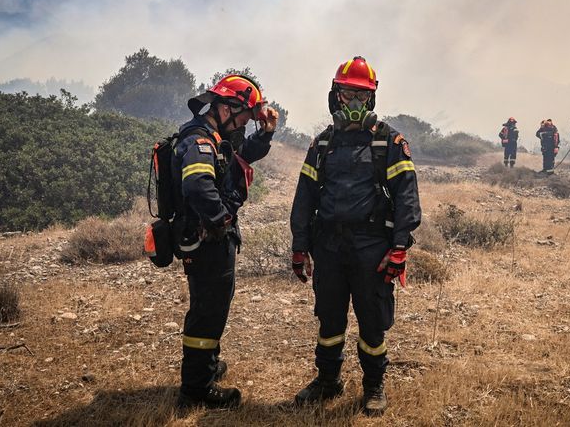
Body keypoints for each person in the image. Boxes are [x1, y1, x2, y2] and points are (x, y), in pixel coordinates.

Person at [289, 56, 421, 416]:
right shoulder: (322, 144)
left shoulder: (388, 141)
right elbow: (305, 199)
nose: (355, 103)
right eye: (348, 95)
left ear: (372, 100)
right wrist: (300, 246)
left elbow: (407, 196)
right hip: (329, 246)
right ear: (336, 97)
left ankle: (374, 386)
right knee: (329, 319)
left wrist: (399, 248)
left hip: (372, 246)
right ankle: (328, 380)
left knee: (372, 319)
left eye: (362, 96)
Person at [174, 75, 278, 409]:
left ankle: (206, 366)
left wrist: (267, 132)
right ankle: (196, 389)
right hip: (208, 241)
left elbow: (242, 158)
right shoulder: (201, 141)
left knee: (213, 305)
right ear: (225, 107)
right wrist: (220, 220)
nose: (248, 121)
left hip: (212, 239)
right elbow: (198, 186)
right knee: (208, 310)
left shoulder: (215, 138)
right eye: (246, 115)